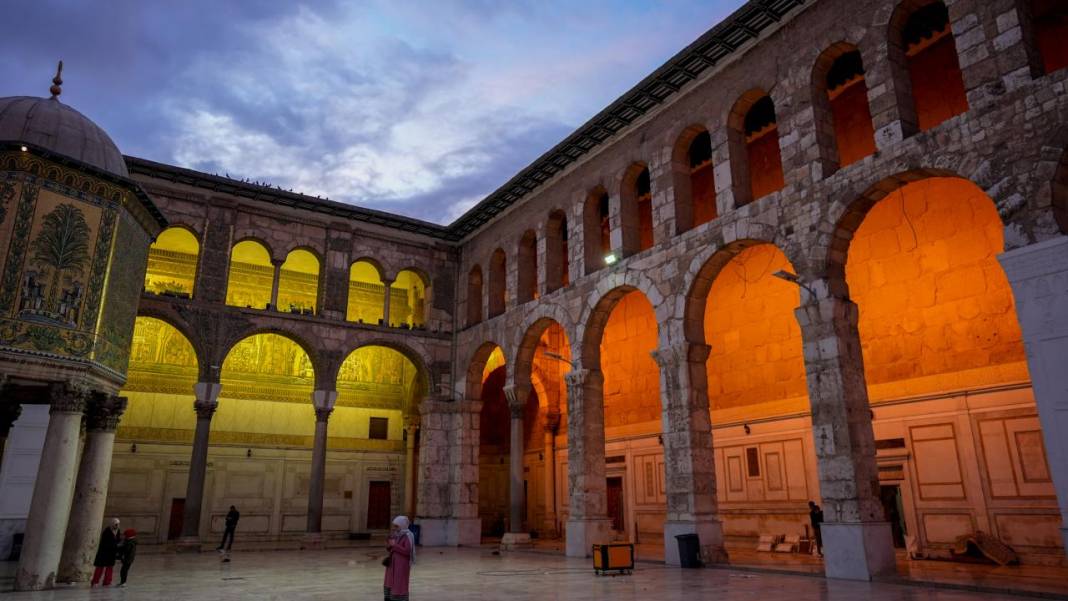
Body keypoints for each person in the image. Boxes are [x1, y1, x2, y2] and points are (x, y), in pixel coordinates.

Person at [384, 515, 415, 601]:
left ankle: (399, 598)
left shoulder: (408, 535)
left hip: (401, 565)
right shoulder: (396, 534)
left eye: (396, 526)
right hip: (392, 564)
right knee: (390, 582)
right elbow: (391, 548)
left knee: (400, 583)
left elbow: (407, 551)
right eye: (394, 526)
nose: (394, 528)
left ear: (402, 525)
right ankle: (390, 597)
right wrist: (388, 545)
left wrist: (395, 545)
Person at [91, 518, 121, 586]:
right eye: (116, 524)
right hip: (104, 552)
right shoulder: (107, 531)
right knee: (100, 567)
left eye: (118, 524)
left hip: (111, 553)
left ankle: (107, 582)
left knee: (109, 567)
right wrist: (115, 545)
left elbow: (118, 540)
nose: (117, 526)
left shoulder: (117, 531)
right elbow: (105, 542)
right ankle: (95, 581)